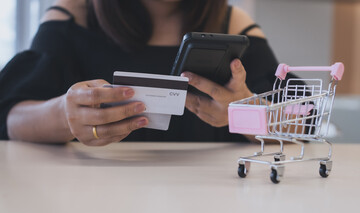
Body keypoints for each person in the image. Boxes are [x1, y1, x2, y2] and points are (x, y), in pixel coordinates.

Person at [0, 0, 282, 146]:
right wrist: (64, 115)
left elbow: (303, 121)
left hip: (208, 205)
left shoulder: (233, 23)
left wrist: (245, 110)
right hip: (91, 200)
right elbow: (10, 116)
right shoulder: (74, 15)